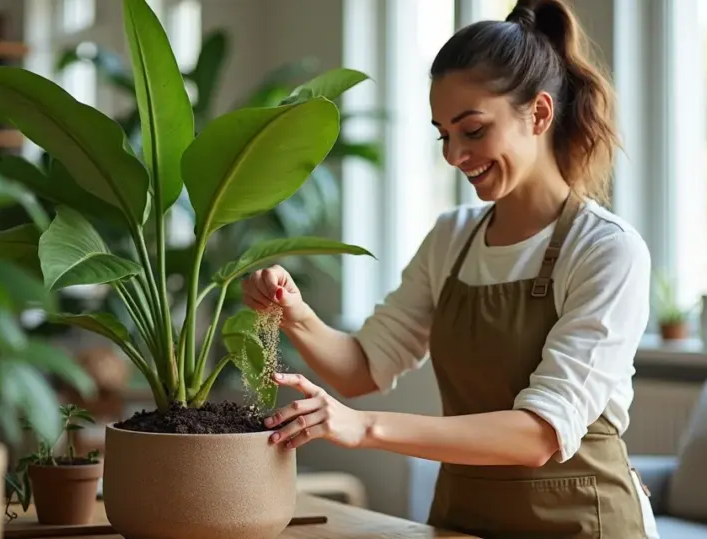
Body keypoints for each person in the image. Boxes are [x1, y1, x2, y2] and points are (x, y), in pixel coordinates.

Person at [241, 0, 659, 537]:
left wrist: (363, 428)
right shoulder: (451, 238)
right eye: (444, 134)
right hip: (463, 519)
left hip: (583, 523)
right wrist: (295, 314)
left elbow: (539, 434)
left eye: (473, 130)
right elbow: (363, 367)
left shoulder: (605, 249)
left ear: (539, 114)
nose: (454, 155)